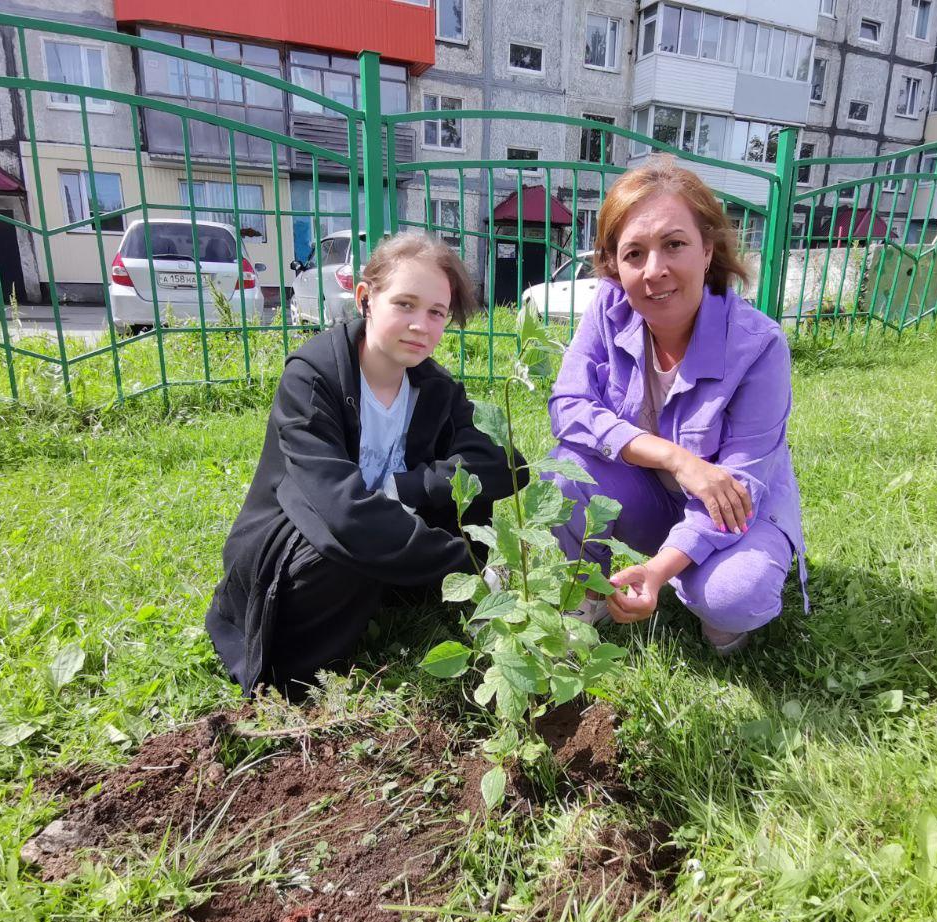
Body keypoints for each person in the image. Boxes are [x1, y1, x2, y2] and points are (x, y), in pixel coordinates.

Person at [206, 233, 526, 694]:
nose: (421, 324)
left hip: (381, 527)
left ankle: (394, 592)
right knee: (337, 557)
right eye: (405, 304)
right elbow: (339, 511)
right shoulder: (313, 378)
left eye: (436, 312)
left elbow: (504, 462)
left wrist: (409, 488)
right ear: (365, 299)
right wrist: (470, 565)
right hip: (295, 539)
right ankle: (312, 671)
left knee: (470, 496)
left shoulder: (431, 387)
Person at [548, 156, 807, 654]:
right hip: (654, 496)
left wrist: (660, 569)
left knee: (733, 596)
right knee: (564, 470)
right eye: (634, 253)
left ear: (707, 249)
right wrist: (675, 457)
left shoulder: (758, 345)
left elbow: (741, 486)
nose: (655, 271)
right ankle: (587, 594)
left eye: (674, 245)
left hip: (737, 511)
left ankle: (708, 593)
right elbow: (568, 405)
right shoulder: (608, 308)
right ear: (614, 264)